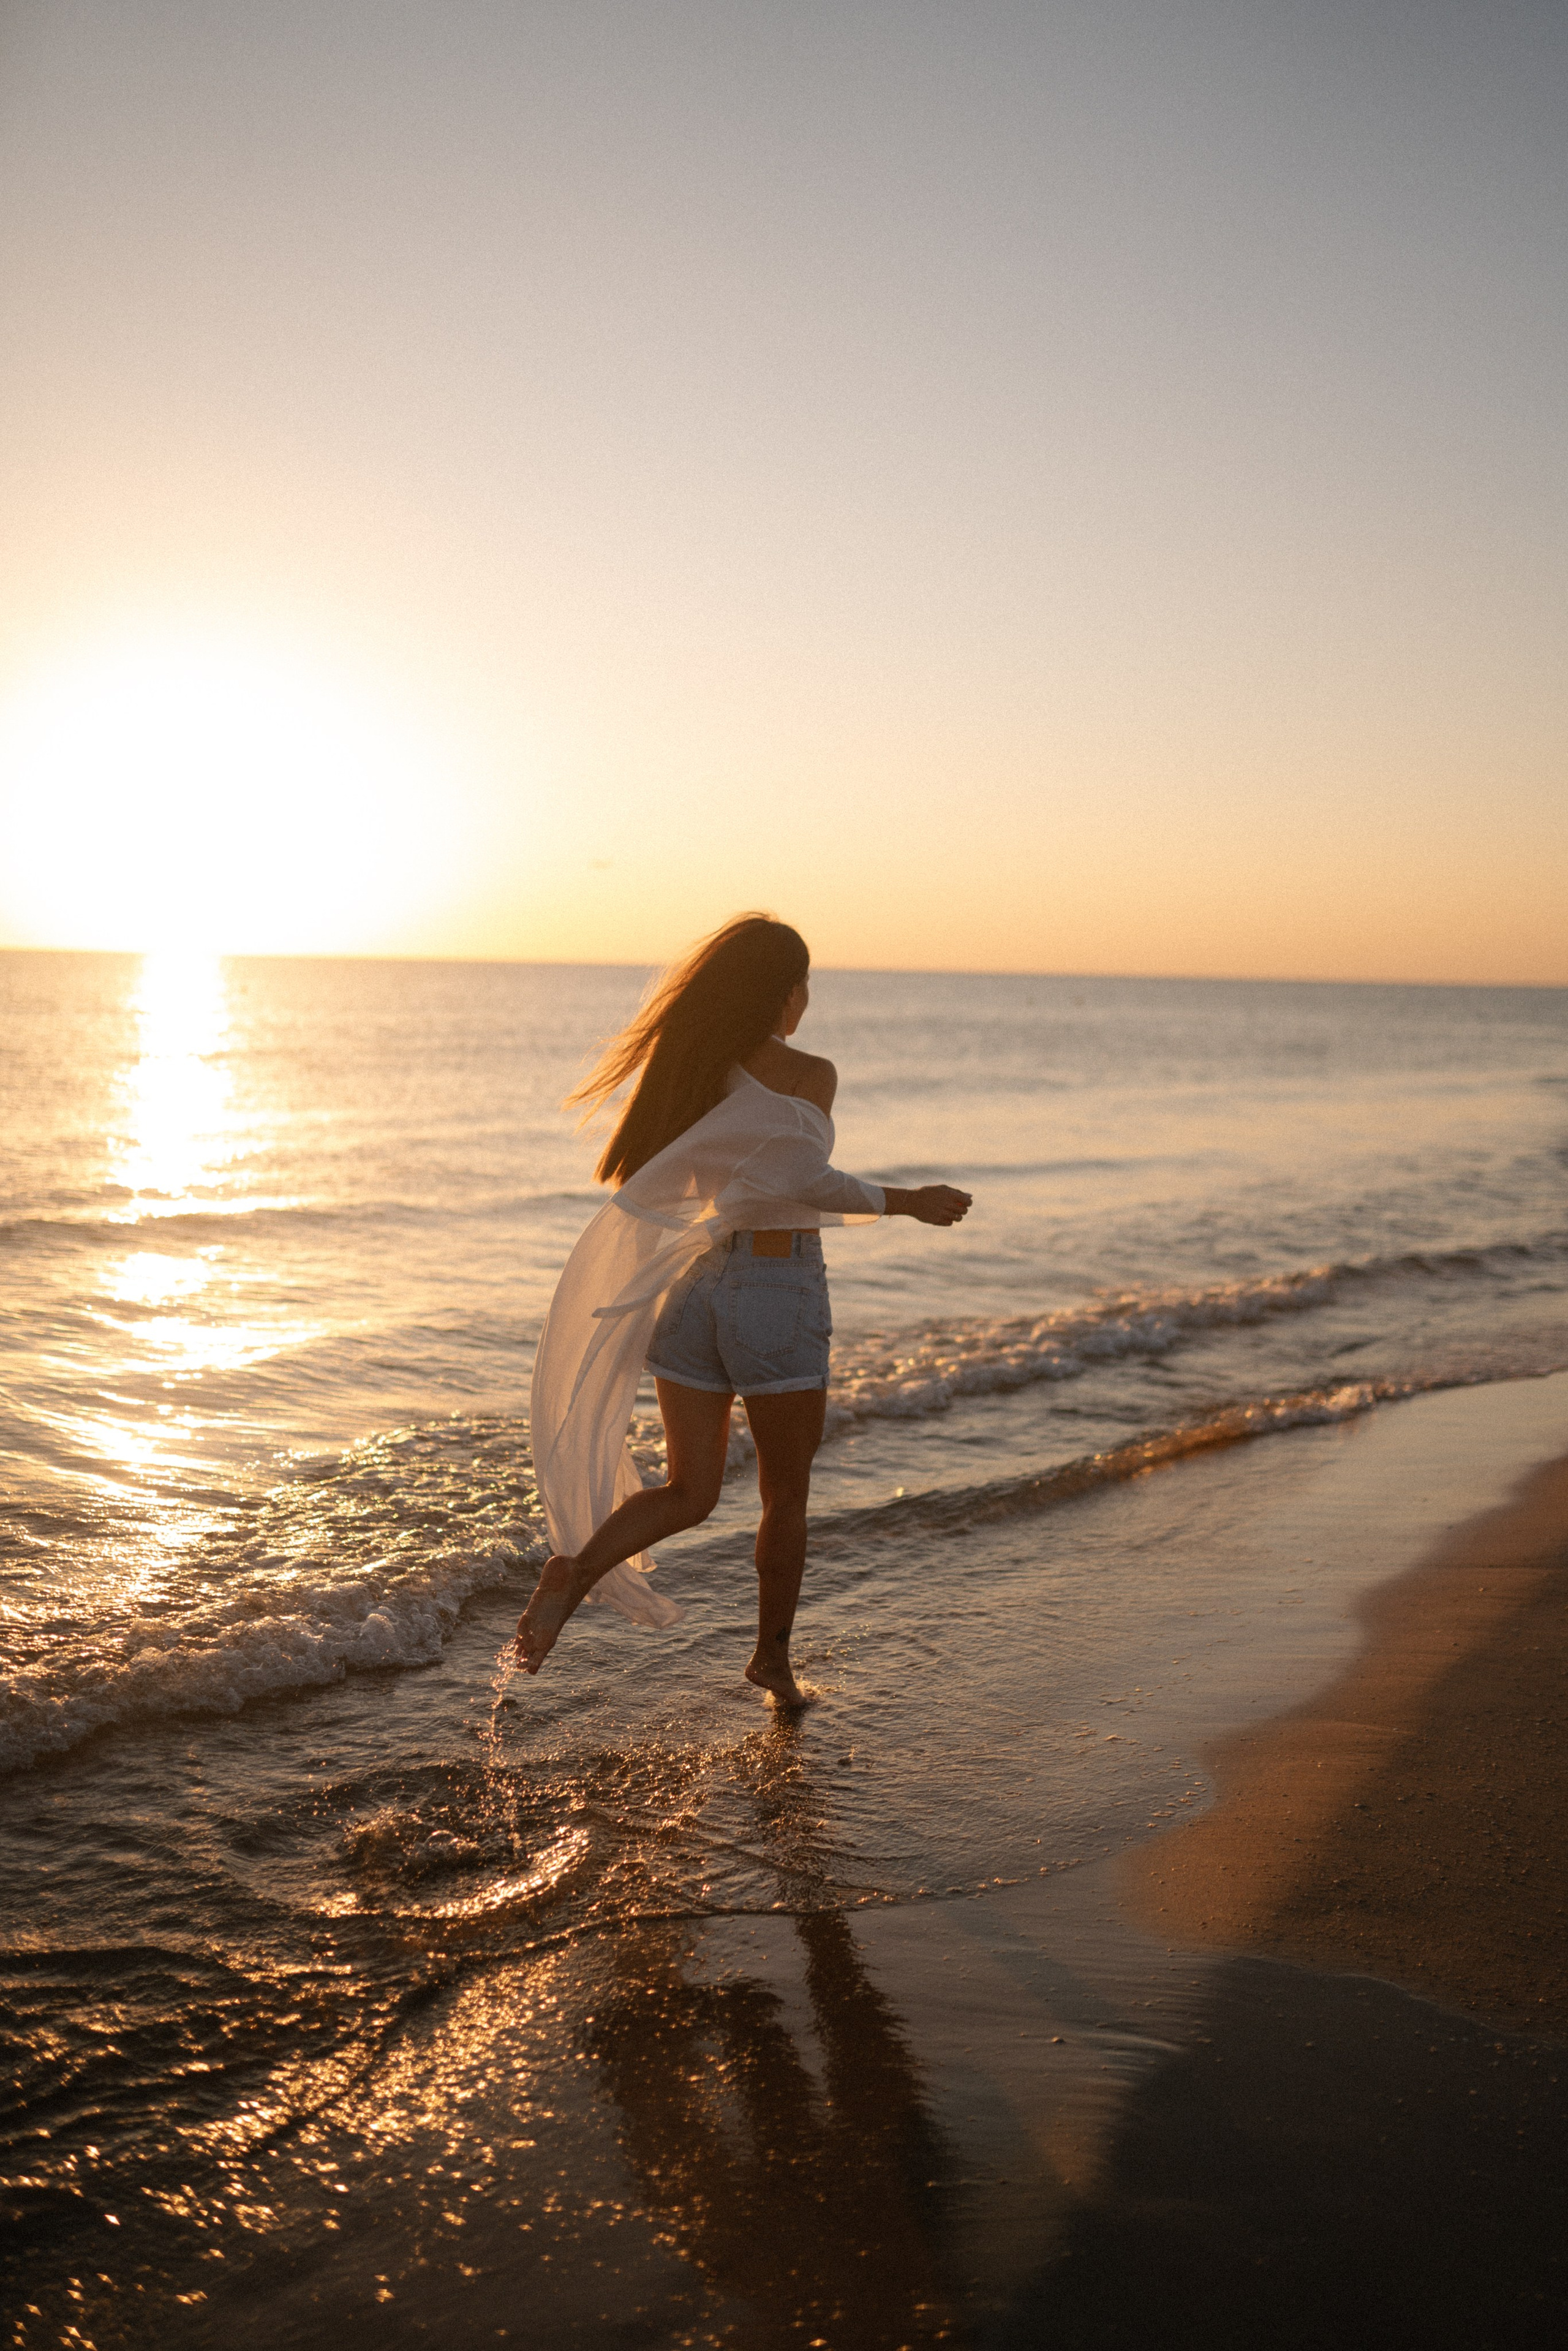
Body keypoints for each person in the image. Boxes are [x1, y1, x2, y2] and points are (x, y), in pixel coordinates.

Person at [514, 914, 971, 1704]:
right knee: (783, 1498)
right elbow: (795, 1182)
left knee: (690, 1492)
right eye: (804, 987)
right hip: (775, 1290)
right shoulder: (809, 1072)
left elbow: (719, 1187)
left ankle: (577, 1569)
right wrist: (909, 1200)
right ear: (786, 992)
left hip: (697, 1292)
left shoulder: (690, 1071)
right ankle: (772, 1662)